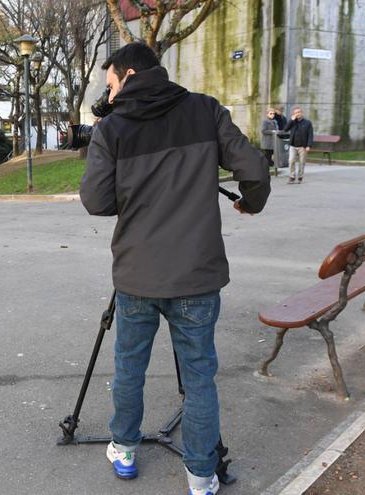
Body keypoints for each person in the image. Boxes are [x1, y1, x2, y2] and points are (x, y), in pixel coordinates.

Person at [80, 43, 270, 495]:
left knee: (130, 367)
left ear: (127, 75)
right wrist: (250, 201)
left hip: (137, 274)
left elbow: (96, 201)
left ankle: (124, 448)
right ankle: (201, 475)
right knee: (200, 375)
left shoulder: (113, 130)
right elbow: (255, 170)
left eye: (110, 85)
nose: (108, 94)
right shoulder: (205, 111)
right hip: (196, 275)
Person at [283, 106, 314, 184]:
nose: (297, 114)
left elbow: (310, 135)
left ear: (302, 113)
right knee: (291, 161)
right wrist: (291, 120)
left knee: (302, 162)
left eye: (299, 112)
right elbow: (285, 129)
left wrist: (309, 145)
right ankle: (292, 177)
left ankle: (300, 176)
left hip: (303, 146)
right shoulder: (292, 122)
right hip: (293, 145)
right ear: (294, 114)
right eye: (296, 113)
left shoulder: (307, 123)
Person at [261, 108, 279, 173]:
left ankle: (270, 165)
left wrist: (277, 132)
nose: (272, 115)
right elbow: (263, 131)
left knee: (272, 154)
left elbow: (277, 129)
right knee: (268, 155)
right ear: (267, 114)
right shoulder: (265, 121)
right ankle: (265, 167)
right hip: (267, 141)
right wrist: (272, 131)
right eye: (270, 113)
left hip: (274, 141)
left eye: (273, 113)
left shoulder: (275, 121)